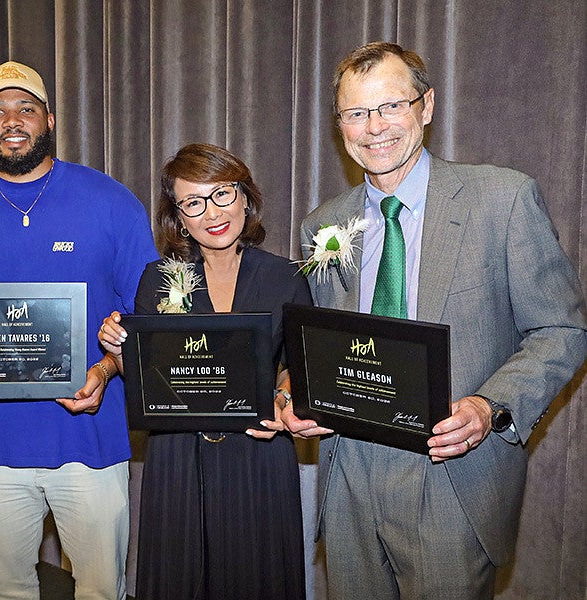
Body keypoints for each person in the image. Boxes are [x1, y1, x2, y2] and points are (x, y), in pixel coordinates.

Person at [282, 41, 587, 599]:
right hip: (348, 471)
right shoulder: (322, 225)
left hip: (452, 475)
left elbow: (561, 329)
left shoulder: (503, 199)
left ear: (425, 106)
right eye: (355, 113)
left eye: (390, 106)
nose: (374, 128)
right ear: (339, 125)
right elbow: (321, 343)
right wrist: (296, 397)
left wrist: (488, 406)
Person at [0, 60, 157, 599]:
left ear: (49, 118)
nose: (12, 120)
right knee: (4, 591)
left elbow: (148, 320)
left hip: (91, 442)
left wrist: (106, 366)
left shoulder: (112, 204)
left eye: (26, 107)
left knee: (102, 590)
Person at [99, 143, 311, 599]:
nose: (211, 212)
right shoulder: (157, 279)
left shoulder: (286, 276)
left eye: (222, 194)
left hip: (259, 457)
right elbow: (143, 372)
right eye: (193, 202)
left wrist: (285, 396)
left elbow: (298, 367)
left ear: (244, 197)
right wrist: (116, 346)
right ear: (178, 217)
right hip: (178, 460)